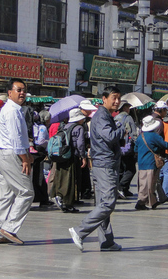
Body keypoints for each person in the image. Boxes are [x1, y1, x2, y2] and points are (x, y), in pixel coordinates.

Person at [69, 86, 125, 252]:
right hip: (105, 164)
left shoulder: (106, 115)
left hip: (104, 163)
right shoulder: (102, 116)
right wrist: (122, 128)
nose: (117, 101)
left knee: (103, 204)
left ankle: (106, 242)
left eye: (119, 98)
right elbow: (109, 137)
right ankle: (80, 231)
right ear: (104, 98)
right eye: (114, 97)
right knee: (108, 203)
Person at [0, 78, 34, 245]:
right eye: (18, 90)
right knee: (26, 192)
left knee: (7, 195)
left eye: (24, 90)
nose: (22, 93)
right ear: (10, 93)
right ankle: (9, 228)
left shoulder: (13, 110)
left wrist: (27, 154)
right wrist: (24, 158)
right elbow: (16, 139)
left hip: (3, 155)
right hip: (10, 155)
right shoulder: (12, 111)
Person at [134, 116, 168, 210]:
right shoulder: (154, 136)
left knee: (144, 183)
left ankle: (152, 202)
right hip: (151, 163)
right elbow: (166, 145)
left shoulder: (141, 136)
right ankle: (141, 202)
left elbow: (135, 149)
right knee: (150, 184)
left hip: (141, 164)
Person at [53, 108, 86, 213]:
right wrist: (83, 156)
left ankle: (58, 195)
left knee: (61, 177)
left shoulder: (64, 126)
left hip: (61, 155)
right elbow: (80, 144)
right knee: (71, 179)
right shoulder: (79, 128)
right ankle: (67, 202)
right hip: (72, 155)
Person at [115, 101, 138, 199]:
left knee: (120, 169)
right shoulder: (128, 118)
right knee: (131, 169)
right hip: (127, 147)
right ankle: (122, 186)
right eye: (128, 107)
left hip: (118, 146)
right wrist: (135, 144)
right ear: (124, 108)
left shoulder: (115, 118)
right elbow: (133, 133)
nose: (129, 109)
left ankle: (123, 189)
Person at [32, 110, 53, 207]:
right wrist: (48, 143)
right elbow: (40, 141)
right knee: (40, 175)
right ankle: (42, 197)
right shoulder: (43, 128)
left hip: (32, 152)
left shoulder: (33, 126)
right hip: (39, 153)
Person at [78, 99, 97, 199]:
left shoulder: (85, 121)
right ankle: (84, 191)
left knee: (85, 172)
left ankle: (86, 191)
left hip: (84, 148)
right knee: (83, 171)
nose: (90, 112)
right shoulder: (79, 122)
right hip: (80, 150)